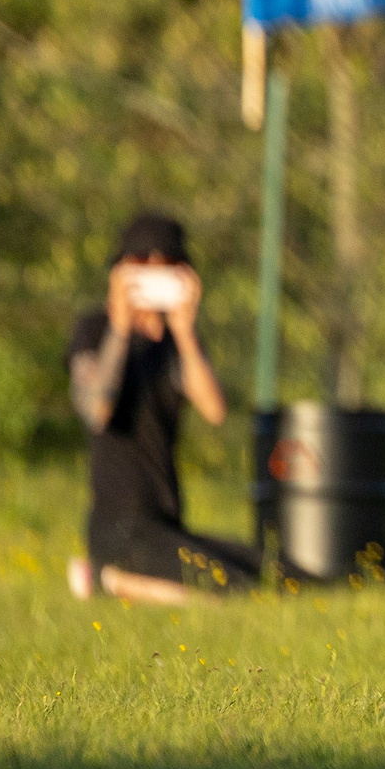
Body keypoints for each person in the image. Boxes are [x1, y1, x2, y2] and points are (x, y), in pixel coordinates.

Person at [64, 211, 260, 602]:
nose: (153, 274)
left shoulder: (175, 342)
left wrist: (185, 332)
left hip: (166, 525)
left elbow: (214, 411)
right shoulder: (94, 330)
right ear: (119, 271)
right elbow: (96, 410)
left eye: (166, 266)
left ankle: (118, 579)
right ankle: (108, 578)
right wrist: (120, 329)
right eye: (141, 265)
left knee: (270, 571)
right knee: (229, 588)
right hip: (120, 527)